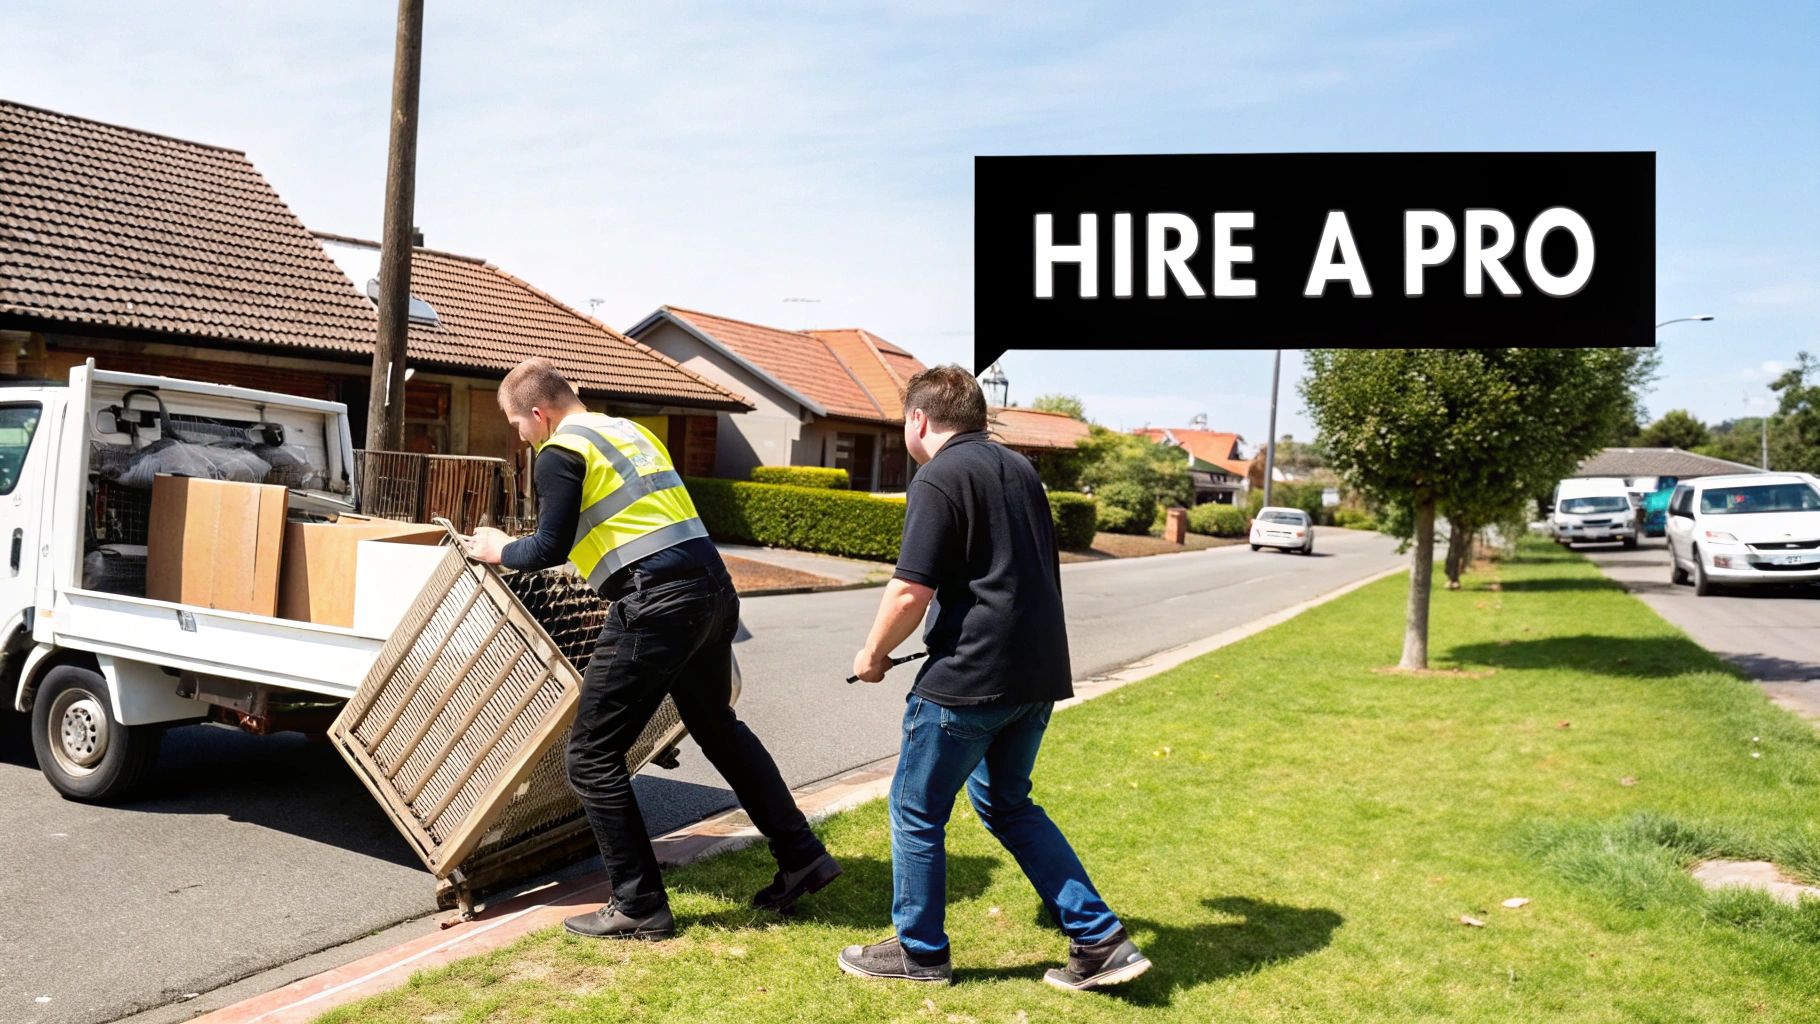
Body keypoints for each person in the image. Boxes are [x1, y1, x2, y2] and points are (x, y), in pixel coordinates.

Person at [464, 357, 839, 940]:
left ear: (539, 413)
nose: (520, 434)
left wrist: (498, 548)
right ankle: (802, 855)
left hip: (657, 606)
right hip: (712, 593)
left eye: (518, 424)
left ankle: (639, 904)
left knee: (590, 756)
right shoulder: (629, 432)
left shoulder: (561, 450)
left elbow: (546, 548)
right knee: (718, 727)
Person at [838, 365, 1149, 991]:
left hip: (968, 679)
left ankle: (919, 952)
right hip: (1034, 676)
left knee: (915, 808)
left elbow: (909, 591)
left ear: (919, 419)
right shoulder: (1020, 469)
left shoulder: (939, 476)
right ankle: (1100, 939)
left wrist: (872, 654)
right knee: (1007, 803)